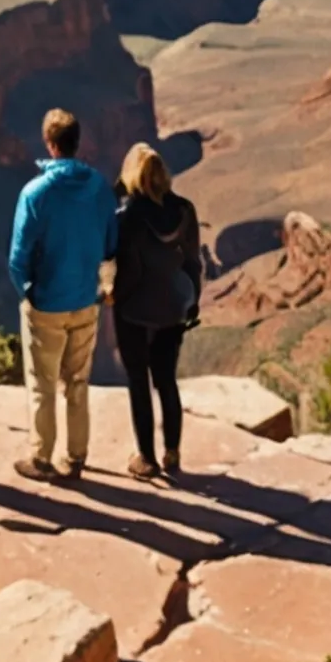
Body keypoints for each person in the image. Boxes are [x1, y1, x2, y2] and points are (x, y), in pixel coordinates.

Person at [7, 107, 116, 481]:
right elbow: (110, 242)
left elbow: (17, 258)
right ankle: (77, 457)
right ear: (76, 142)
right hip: (86, 301)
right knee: (78, 383)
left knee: (43, 386)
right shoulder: (99, 186)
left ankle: (41, 459)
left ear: (50, 145)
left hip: (46, 305)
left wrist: (29, 292)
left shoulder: (35, 193)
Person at [111, 143, 204, 481]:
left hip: (134, 309)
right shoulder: (185, 210)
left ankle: (146, 459)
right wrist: (192, 301)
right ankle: (173, 452)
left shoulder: (126, 218)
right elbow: (194, 262)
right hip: (174, 307)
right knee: (166, 380)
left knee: (139, 381)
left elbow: (130, 271)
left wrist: (115, 297)